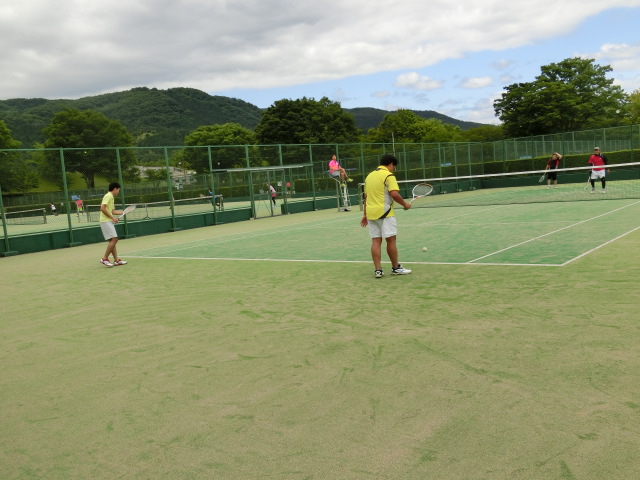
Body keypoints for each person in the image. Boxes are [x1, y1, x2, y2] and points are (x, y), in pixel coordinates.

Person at [360, 154, 412, 278]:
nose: (393, 169)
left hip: (371, 213)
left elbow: (366, 198)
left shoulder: (369, 176)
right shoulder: (389, 175)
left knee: (375, 240)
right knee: (391, 240)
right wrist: (405, 204)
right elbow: (394, 194)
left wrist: (365, 214)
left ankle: (378, 270)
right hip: (386, 213)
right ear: (391, 164)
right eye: (394, 166)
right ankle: (395, 268)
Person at [99, 182, 127, 267]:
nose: (118, 192)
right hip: (105, 221)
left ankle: (116, 260)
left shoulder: (111, 197)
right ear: (115, 188)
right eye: (118, 190)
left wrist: (122, 212)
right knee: (115, 239)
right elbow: (102, 208)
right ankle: (104, 259)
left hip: (107, 220)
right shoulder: (108, 196)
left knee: (112, 241)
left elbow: (112, 211)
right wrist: (112, 218)